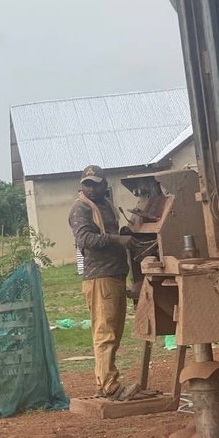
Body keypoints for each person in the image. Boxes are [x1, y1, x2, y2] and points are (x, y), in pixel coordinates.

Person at [68, 166, 137, 400]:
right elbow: (85, 239)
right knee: (105, 332)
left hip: (112, 276)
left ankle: (104, 382)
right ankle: (110, 385)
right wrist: (118, 239)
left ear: (103, 184)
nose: (90, 188)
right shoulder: (81, 208)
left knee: (112, 332)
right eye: (87, 183)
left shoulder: (103, 205)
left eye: (95, 183)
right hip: (100, 278)